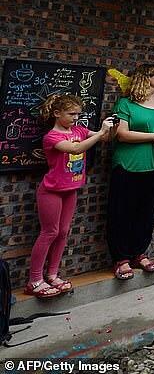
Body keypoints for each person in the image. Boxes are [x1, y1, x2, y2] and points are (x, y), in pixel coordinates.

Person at [25, 95, 115, 298]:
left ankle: (53, 274)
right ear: (57, 114)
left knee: (63, 232)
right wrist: (100, 133)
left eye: (78, 114)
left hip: (70, 189)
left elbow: (105, 138)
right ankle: (34, 280)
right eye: (71, 113)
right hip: (51, 191)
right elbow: (76, 148)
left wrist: (110, 128)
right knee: (50, 232)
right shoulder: (52, 136)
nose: (76, 118)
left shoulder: (79, 130)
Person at [107, 64, 154, 280]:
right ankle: (121, 259)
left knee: (148, 210)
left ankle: (139, 252)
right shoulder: (126, 104)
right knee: (122, 211)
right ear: (146, 78)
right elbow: (122, 134)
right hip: (129, 165)